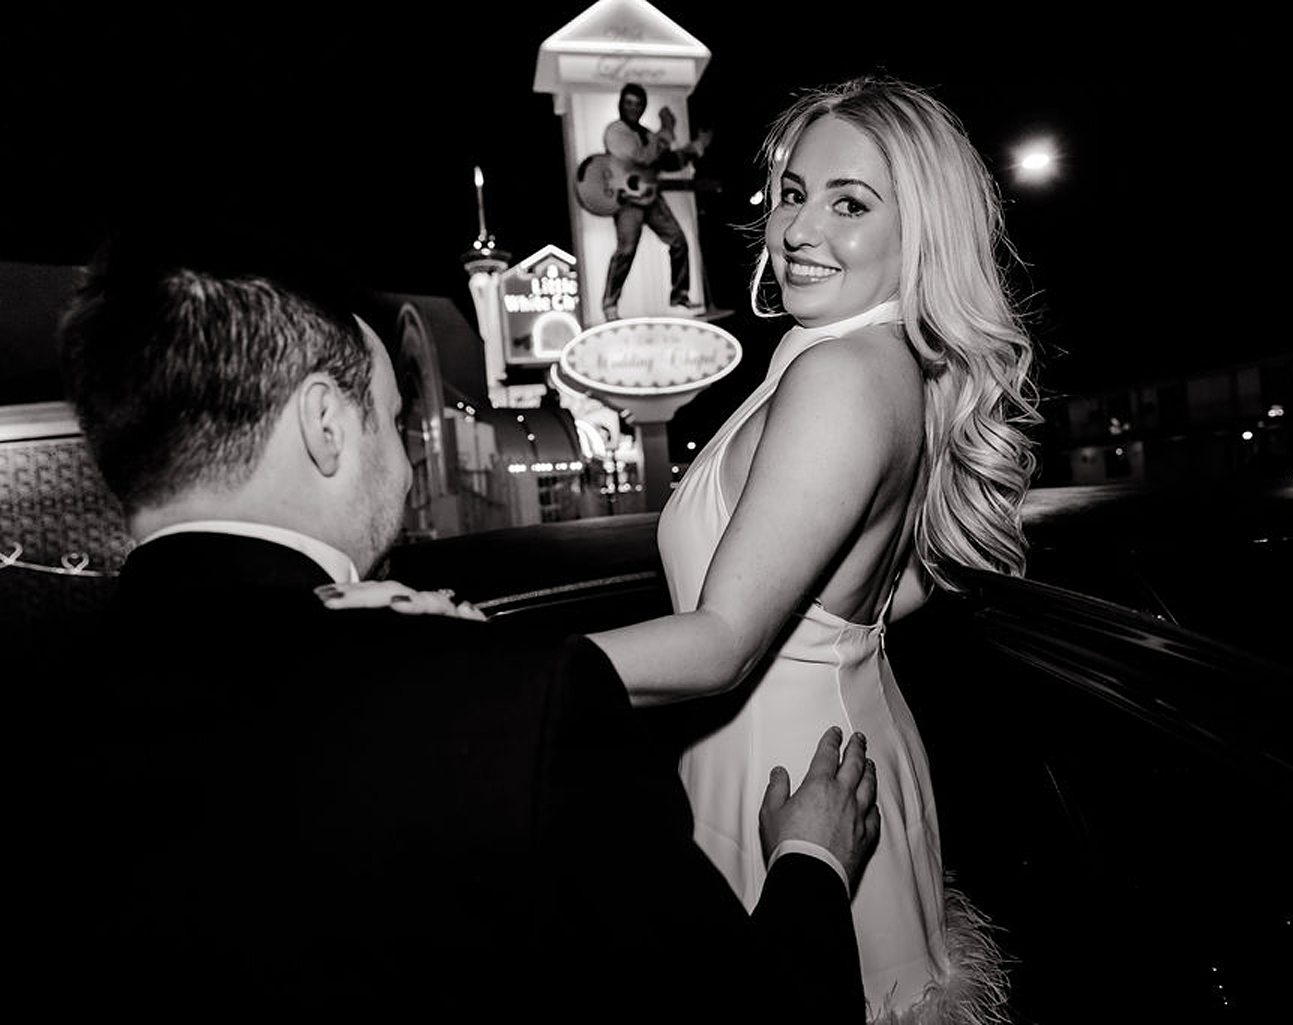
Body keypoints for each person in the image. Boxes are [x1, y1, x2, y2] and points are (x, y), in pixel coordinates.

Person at [27, 226, 878, 1020]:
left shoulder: (44, 709)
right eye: (391, 422)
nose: (402, 472)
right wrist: (812, 862)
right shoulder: (511, 707)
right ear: (326, 425)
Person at [584, 76, 1040, 1022]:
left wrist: (501, 677)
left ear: (922, 231)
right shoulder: (849, 351)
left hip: (797, 782)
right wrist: (838, 633)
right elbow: (901, 577)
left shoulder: (839, 371)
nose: (799, 229)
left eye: (850, 204)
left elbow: (721, 639)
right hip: (810, 757)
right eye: (793, 192)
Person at [599, 82, 707, 321]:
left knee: (678, 241)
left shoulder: (647, 134)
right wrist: (667, 130)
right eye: (628, 103)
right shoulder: (615, 132)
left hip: (650, 197)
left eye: (638, 104)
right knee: (626, 250)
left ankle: (679, 294)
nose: (633, 108)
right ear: (621, 105)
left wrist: (697, 147)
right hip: (628, 200)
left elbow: (667, 162)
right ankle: (610, 303)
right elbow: (643, 157)